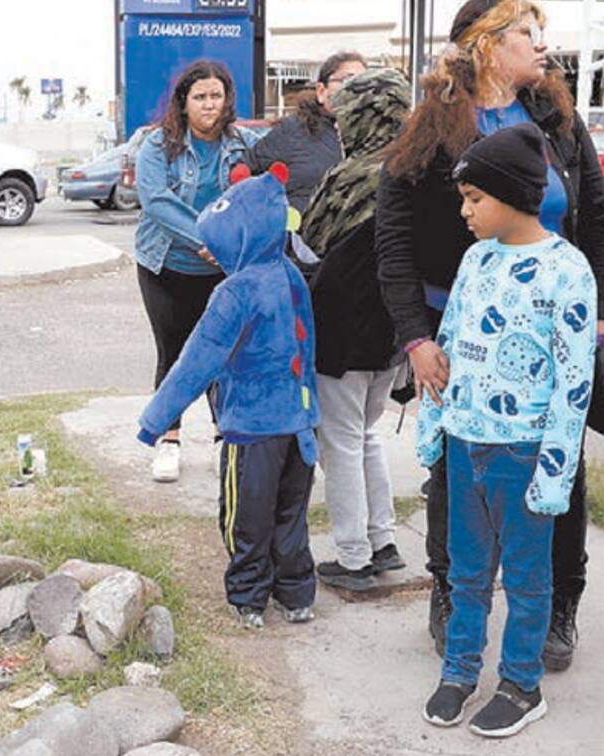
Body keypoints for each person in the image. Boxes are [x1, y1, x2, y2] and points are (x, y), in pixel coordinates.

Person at [376, 0, 604, 671]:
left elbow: (597, 217)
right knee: (455, 469)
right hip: (454, 333)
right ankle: (454, 594)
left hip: (550, 330)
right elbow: (392, 237)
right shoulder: (432, 124)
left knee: (557, 461)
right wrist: (415, 339)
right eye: (526, 35)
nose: (542, 47)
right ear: (486, 45)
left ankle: (558, 602)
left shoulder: (556, 121)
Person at [418, 124, 596, 738]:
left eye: (474, 199)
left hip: (524, 453)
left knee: (525, 578)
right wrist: (433, 425)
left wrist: (555, 472)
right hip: (467, 444)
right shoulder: (476, 260)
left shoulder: (568, 271)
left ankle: (522, 683)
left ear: (515, 195)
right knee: (465, 573)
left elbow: (576, 382)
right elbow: (449, 347)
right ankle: (460, 671)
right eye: (463, 198)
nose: (464, 211)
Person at [138, 165, 319, 629]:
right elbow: (307, 345)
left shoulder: (233, 292)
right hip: (298, 425)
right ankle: (297, 593)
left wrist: (156, 420)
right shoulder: (290, 275)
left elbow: (196, 362)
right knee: (290, 514)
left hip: (250, 428)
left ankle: (249, 598)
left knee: (246, 517)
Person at [299, 68, 411, 591]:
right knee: (367, 435)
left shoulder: (349, 176)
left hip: (341, 331)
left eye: (346, 117)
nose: (340, 127)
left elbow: (311, 245)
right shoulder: (417, 169)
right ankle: (382, 540)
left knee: (339, 441)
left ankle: (351, 556)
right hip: (392, 335)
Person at [135, 60, 261, 484]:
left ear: (227, 100)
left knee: (224, 354)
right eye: (200, 97)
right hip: (167, 265)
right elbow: (156, 200)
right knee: (175, 354)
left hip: (221, 270)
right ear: (183, 103)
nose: (209, 104)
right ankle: (168, 441)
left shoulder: (243, 144)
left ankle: (224, 438)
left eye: (216, 95)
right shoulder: (158, 146)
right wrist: (205, 238)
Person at [248, 51, 368, 214]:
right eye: (347, 79)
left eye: (365, 82)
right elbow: (245, 170)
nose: (356, 88)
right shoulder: (292, 130)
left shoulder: (380, 136)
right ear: (321, 91)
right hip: (300, 234)